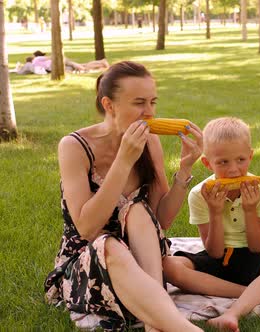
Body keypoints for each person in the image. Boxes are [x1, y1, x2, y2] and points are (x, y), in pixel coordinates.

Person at [44, 61, 203, 331]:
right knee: (108, 244)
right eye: (139, 103)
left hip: (145, 260)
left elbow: (162, 219)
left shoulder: (150, 142)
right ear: (109, 105)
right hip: (90, 261)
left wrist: (185, 169)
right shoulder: (74, 146)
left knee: (138, 211)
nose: (149, 112)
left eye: (153, 102)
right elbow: (86, 227)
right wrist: (123, 161)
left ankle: (157, 320)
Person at [163, 117, 260, 332]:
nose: (233, 169)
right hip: (217, 260)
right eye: (223, 162)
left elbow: (257, 246)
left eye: (241, 159)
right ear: (207, 163)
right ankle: (256, 291)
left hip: (252, 260)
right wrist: (215, 212)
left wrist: (250, 210)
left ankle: (232, 314)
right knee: (168, 266)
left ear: (251, 156)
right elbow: (213, 252)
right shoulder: (199, 194)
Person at [32, 50, 109, 73]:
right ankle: (101, 63)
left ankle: (101, 63)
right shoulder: (37, 60)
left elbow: (51, 57)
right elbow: (51, 57)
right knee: (83, 65)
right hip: (58, 63)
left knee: (82, 67)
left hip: (57, 63)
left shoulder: (36, 60)